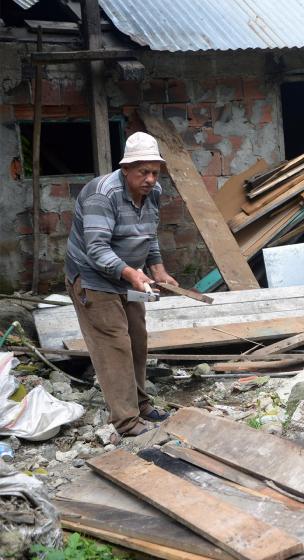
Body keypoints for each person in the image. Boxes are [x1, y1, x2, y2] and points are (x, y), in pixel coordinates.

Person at [65, 132, 178, 437]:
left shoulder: (153, 193)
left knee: (137, 339)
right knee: (114, 344)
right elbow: (96, 249)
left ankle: (140, 404)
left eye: (155, 172)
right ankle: (127, 422)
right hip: (91, 278)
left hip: (127, 274)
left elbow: (148, 234)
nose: (151, 179)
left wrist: (158, 269)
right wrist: (132, 274)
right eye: (143, 172)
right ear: (125, 169)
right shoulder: (103, 195)